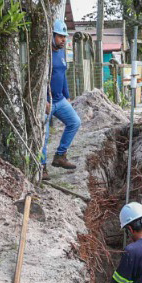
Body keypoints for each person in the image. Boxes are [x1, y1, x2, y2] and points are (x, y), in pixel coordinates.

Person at [47, 17, 81, 170]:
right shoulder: (45, 56)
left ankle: (60, 156)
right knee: (43, 136)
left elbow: (63, 74)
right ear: (52, 35)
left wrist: (67, 95)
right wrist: (43, 101)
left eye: (64, 37)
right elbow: (37, 81)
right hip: (46, 102)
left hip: (59, 100)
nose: (63, 40)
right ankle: (41, 167)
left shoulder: (61, 53)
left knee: (74, 122)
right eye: (60, 36)